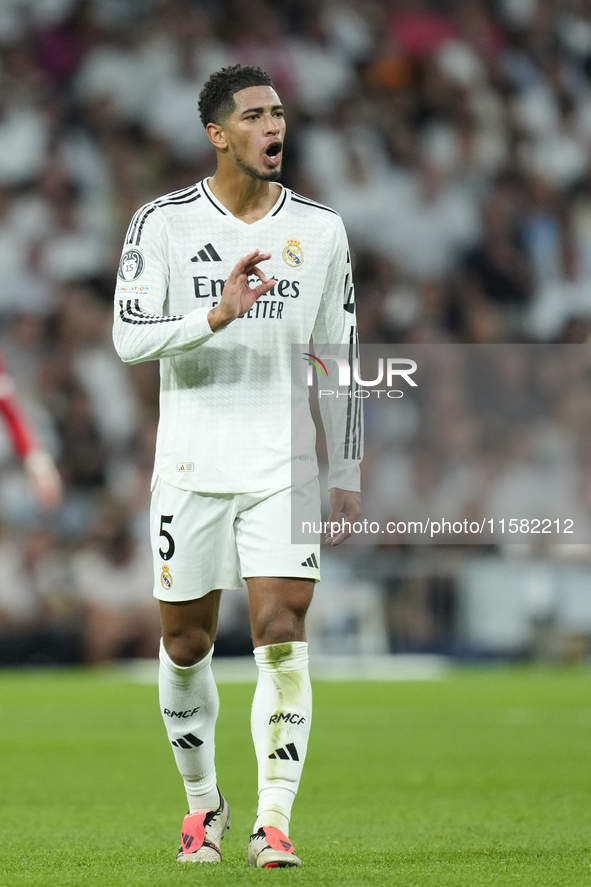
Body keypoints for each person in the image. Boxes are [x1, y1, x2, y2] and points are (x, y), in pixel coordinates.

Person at [113, 64, 362, 868]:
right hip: (190, 461)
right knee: (186, 642)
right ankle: (203, 804)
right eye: (254, 114)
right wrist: (214, 313)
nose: (272, 125)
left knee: (280, 630)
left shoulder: (321, 231)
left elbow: (339, 354)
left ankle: (274, 820)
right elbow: (128, 339)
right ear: (217, 133)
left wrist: (345, 466)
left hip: (282, 462)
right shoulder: (162, 223)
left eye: (279, 112)